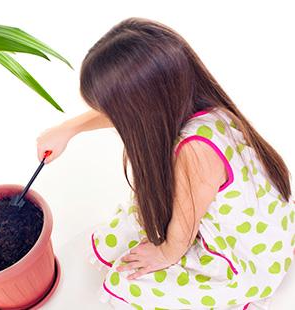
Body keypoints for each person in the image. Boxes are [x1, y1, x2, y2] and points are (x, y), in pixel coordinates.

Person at [36, 17, 294, 309]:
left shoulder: (196, 152)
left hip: (246, 261)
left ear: (143, 108)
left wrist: (166, 254)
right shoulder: (199, 103)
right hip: (256, 227)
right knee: (124, 229)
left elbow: (181, 233)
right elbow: (124, 111)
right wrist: (69, 129)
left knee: (123, 283)